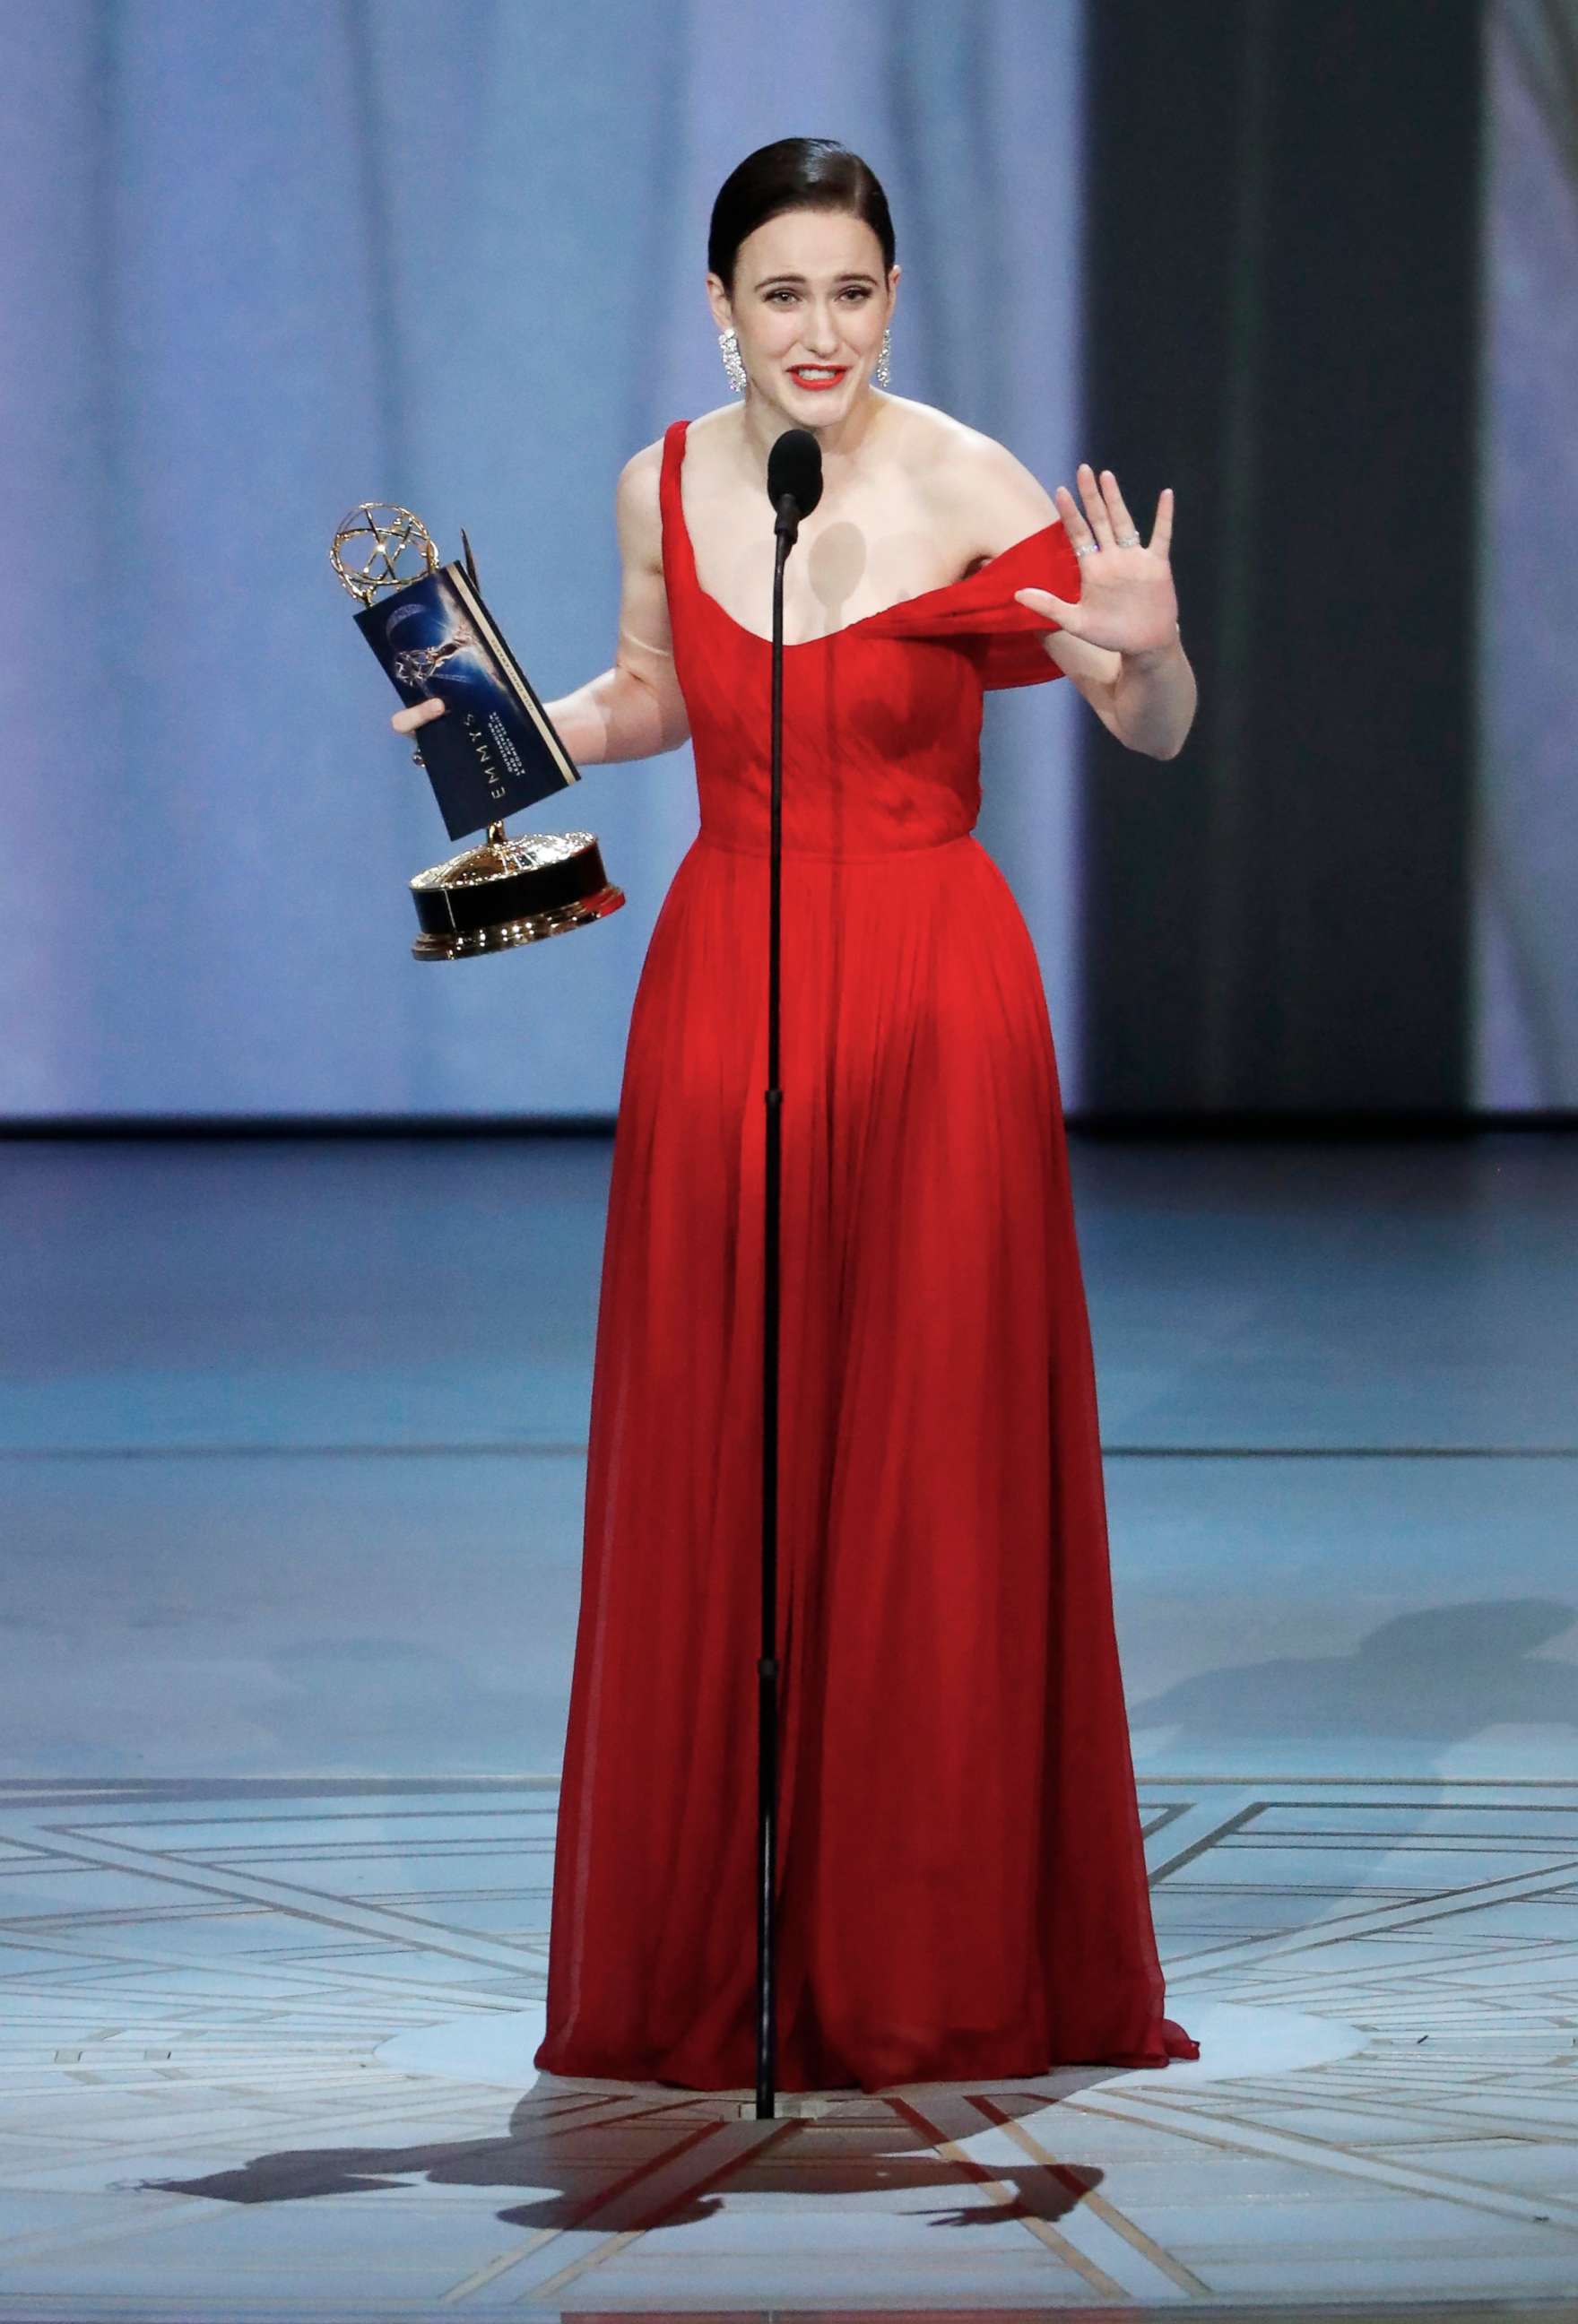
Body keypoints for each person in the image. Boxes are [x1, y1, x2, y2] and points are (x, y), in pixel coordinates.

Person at [395, 136, 1200, 2094]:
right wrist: (512, 715)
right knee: (722, 1449)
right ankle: (718, 1950)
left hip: (935, 1005)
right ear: (718, 305)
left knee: (930, 1459)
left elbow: (1139, 718)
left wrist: (1154, 645)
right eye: (781, 294)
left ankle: (922, 1955)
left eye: (850, 292)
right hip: (725, 997)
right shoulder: (668, 481)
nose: (818, 331)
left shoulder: (973, 483)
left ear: (893, 300)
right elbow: (662, 697)